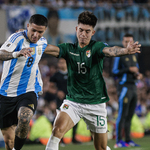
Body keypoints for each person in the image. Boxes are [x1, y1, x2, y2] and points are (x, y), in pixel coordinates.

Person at [40, 11, 141, 150]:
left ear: (92, 32)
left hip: (96, 104)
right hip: (73, 102)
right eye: (81, 30)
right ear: (76, 29)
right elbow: (50, 48)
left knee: (100, 147)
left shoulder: (96, 47)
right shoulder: (68, 49)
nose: (83, 34)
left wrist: (124, 50)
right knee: (56, 131)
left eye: (87, 31)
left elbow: (111, 50)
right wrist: (32, 42)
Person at [0, 14, 48, 150]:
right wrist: (17, 53)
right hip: (7, 92)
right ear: (28, 26)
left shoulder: (43, 42)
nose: (36, 35)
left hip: (28, 90)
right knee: (8, 141)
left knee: (24, 119)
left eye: (40, 32)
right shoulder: (16, 38)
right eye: (33, 30)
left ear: (44, 31)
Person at [112, 33, 142, 148]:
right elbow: (114, 72)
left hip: (133, 86)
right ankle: (119, 141)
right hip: (124, 87)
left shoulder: (134, 54)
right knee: (122, 114)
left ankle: (128, 140)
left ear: (133, 42)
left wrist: (138, 75)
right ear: (122, 42)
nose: (127, 44)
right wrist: (128, 69)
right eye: (125, 42)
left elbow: (136, 70)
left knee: (130, 115)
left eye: (130, 41)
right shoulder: (120, 55)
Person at [50, 58, 81, 144]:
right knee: (61, 119)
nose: (61, 64)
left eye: (63, 62)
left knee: (75, 118)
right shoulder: (56, 75)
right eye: (60, 63)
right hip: (61, 100)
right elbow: (50, 87)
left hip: (72, 99)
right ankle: (61, 140)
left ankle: (74, 138)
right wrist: (57, 92)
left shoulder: (72, 73)